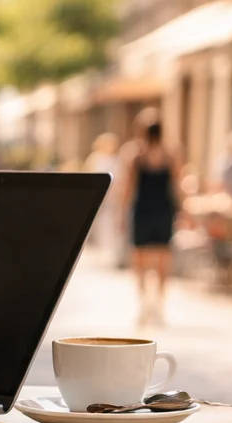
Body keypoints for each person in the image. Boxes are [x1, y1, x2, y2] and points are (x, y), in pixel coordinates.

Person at [123, 112, 181, 326]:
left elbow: (127, 189)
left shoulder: (134, 155)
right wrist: (184, 212)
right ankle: (158, 305)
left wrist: (121, 216)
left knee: (139, 260)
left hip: (143, 211)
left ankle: (145, 304)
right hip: (164, 210)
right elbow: (177, 185)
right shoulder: (171, 154)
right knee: (163, 260)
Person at [85, 132, 125, 257]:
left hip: (113, 196)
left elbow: (120, 178)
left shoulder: (116, 159)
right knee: (100, 222)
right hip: (100, 194)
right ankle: (103, 250)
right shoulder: (95, 158)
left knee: (111, 223)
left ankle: (111, 252)